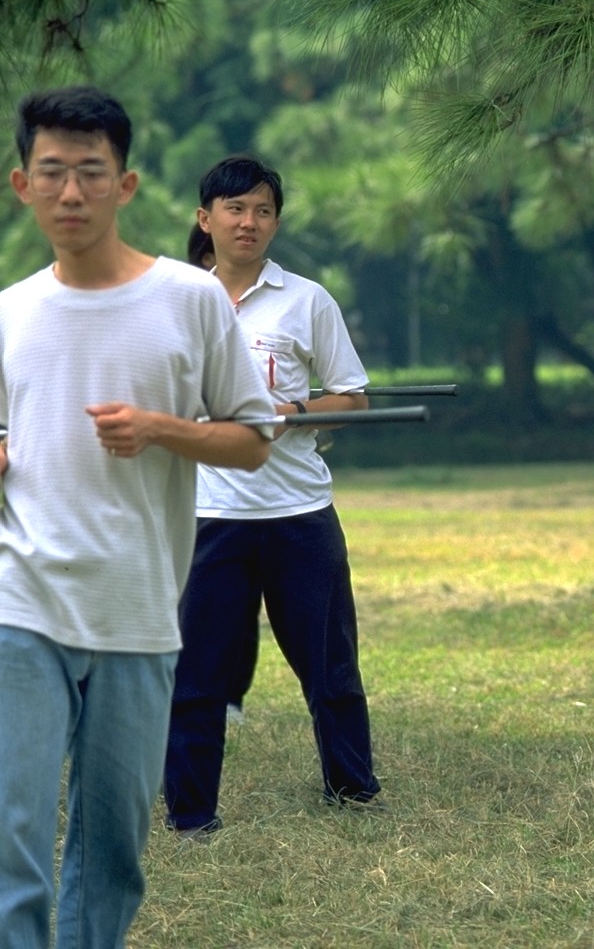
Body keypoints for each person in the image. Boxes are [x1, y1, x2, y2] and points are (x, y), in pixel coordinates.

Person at [0, 87, 272, 948]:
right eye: (53, 173)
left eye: (91, 173)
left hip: (140, 609)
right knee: (12, 839)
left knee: (114, 846)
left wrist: (162, 429)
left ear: (127, 185)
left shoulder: (189, 299)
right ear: (22, 185)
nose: (71, 193)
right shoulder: (8, 313)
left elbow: (253, 439)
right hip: (21, 603)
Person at [162, 155, 382, 836]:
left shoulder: (306, 299)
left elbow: (353, 397)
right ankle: (191, 813)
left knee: (331, 668)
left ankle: (353, 790)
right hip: (206, 516)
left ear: (275, 222)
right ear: (206, 220)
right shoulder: (168, 302)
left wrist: (293, 410)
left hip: (298, 514)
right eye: (233, 209)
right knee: (197, 676)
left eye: (261, 210)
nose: (247, 221)